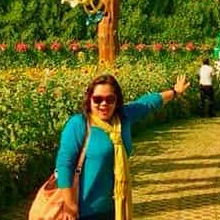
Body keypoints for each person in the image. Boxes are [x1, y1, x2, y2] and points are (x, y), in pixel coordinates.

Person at [56, 73, 190, 220]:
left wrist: (175, 92)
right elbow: (64, 165)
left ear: (117, 100)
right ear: (89, 99)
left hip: (116, 207)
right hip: (83, 211)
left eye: (110, 99)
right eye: (97, 99)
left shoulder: (122, 118)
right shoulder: (79, 124)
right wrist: (69, 205)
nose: (104, 104)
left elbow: (148, 103)